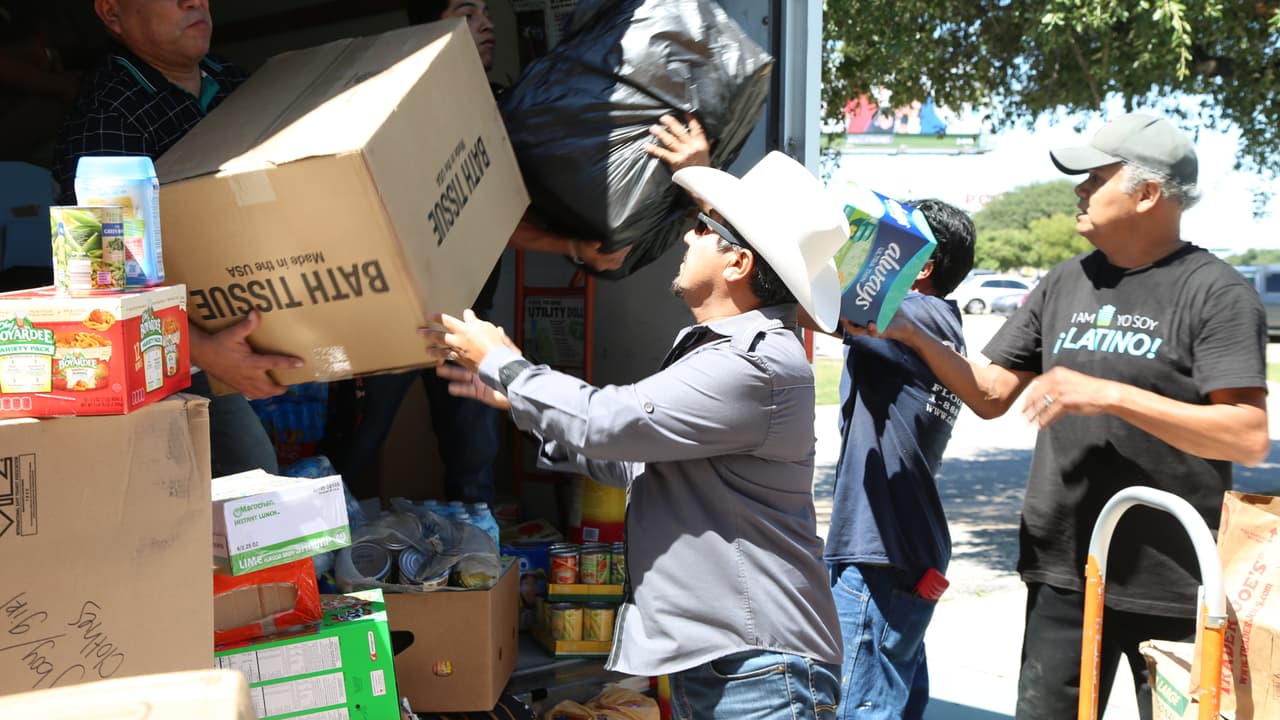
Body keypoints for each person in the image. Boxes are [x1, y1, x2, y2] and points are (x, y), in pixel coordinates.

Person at [861, 113, 1269, 719]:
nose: (1079, 190)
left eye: (1095, 178)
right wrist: (910, 333)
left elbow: (1247, 435)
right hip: (1066, 571)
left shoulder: (1217, 291)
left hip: (1176, 583)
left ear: (1147, 193)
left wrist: (1110, 395)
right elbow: (991, 394)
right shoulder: (1065, 281)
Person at [426, 151, 846, 719]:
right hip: (735, 662)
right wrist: (520, 399)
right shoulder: (731, 355)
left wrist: (507, 366)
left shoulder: (752, 364)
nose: (689, 236)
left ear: (738, 262)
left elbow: (610, 421)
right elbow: (632, 458)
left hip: (758, 667)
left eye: (705, 227)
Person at [336, 0, 710, 502]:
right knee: (356, 448)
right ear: (428, 28)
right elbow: (477, 219)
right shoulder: (398, 108)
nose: (486, 23)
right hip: (392, 313)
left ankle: (476, 544)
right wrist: (572, 246)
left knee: (474, 456)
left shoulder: (499, 105)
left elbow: (505, 210)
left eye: (486, 11)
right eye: (467, 12)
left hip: (466, 313)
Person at [54, 0, 301, 476]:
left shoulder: (230, 80)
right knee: (251, 483)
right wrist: (203, 351)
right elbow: (97, 277)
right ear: (112, 13)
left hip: (254, 325)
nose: (195, 2)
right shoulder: (107, 116)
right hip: (163, 360)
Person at [826, 198, 975, 720]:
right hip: (901, 545)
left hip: (881, 549)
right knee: (894, 698)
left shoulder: (915, 316)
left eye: (890, 246)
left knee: (856, 706)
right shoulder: (940, 325)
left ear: (923, 266)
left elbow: (819, 303)